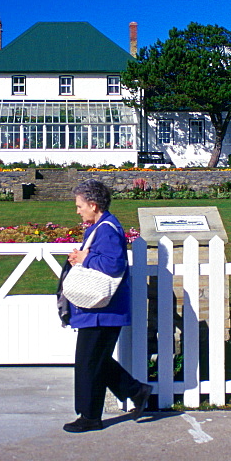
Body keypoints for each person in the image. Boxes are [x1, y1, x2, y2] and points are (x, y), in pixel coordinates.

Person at [59, 179, 152, 433]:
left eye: (80, 206)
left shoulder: (108, 228)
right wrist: (82, 257)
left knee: (90, 362)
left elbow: (114, 265)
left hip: (104, 310)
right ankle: (136, 391)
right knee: (94, 360)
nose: (77, 211)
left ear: (93, 204)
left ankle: (90, 416)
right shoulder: (100, 227)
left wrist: (84, 258)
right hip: (99, 311)